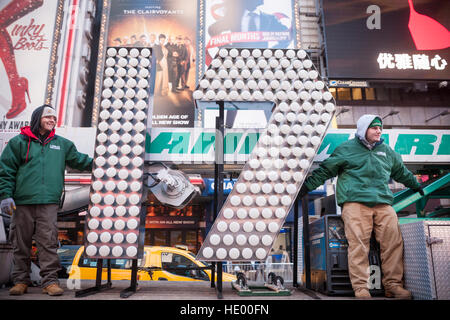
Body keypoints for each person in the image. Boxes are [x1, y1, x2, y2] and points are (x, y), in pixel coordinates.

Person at [299, 114, 423, 299]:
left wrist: (416, 185)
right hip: (355, 202)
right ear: (363, 129)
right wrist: (307, 187)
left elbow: (401, 172)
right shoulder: (346, 149)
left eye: (380, 128)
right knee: (359, 245)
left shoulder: (387, 151)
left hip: (383, 203)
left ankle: (393, 285)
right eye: (374, 128)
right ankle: (361, 288)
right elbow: (326, 169)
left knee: (393, 243)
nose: (378, 131)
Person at [0, 105, 93, 296]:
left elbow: (80, 161)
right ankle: (20, 281)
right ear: (37, 119)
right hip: (21, 202)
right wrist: (6, 195)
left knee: (48, 243)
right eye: (48, 117)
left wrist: (104, 162)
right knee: (20, 242)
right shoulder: (17, 143)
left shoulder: (63, 144)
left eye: (54, 117)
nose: (52, 120)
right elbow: (6, 171)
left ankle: (49, 282)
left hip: (49, 202)